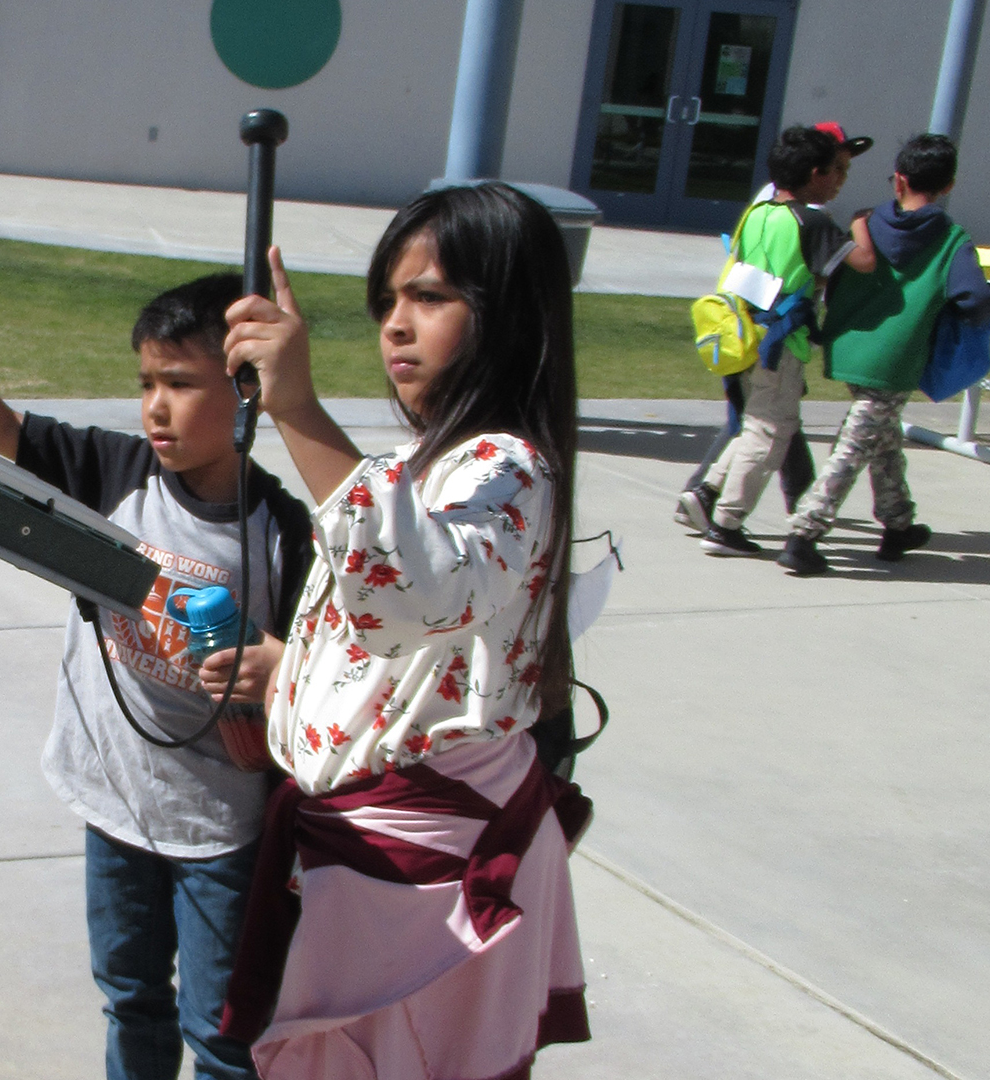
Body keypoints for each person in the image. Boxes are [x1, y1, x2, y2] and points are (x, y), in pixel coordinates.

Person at [0, 272, 315, 1080]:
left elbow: (324, 669)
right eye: (146, 383)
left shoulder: (281, 531)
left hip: (221, 828)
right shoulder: (115, 473)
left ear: (247, 390)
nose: (156, 407)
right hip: (113, 801)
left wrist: (277, 671)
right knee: (129, 995)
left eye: (180, 384)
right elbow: (4, 431)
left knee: (221, 1032)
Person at [216, 183, 592, 1080]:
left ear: (507, 314)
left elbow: (413, 593)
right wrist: (291, 669)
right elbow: (396, 638)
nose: (395, 324)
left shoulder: (510, 466)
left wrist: (297, 410)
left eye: (430, 296)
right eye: (386, 300)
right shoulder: (413, 464)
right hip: (371, 854)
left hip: (424, 873)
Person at [777, 134, 990, 575]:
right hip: (898, 355)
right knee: (854, 445)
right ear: (948, 185)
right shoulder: (952, 240)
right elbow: (974, 297)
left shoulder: (868, 223)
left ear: (898, 180)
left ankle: (898, 522)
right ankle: (804, 533)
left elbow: (837, 276)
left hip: (851, 344)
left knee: (881, 436)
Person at [677, 124, 876, 556]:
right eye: (835, 172)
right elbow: (863, 261)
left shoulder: (758, 214)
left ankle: (708, 492)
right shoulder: (813, 221)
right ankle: (727, 524)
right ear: (815, 173)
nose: (839, 181)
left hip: (745, 333)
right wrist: (861, 223)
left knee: (754, 425)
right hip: (782, 344)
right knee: (769, 433)